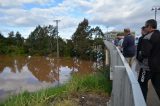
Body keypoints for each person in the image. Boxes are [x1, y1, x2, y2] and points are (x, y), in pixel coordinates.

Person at [139, 19, 160, 101]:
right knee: (158, 87)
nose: (144, 28)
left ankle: (141, 102)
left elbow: (145, 54)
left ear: (150, 27)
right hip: (158, 67)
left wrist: (140, 53)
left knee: (142, 84)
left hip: (147, 67)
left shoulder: (147, 37)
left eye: (145, 26)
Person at [137, 26, 150, 101]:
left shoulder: (144, 38)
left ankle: (141, 100)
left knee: (142, 83)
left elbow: (143, 52)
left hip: (146, 65)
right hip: (154, 65)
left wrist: (139, 57)